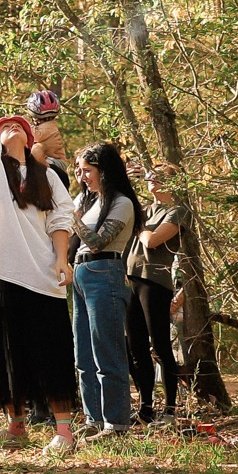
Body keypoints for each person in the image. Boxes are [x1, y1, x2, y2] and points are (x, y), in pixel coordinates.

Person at [0, 52, 80, 452]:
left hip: (43, 276)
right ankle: (16, 426)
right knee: (4, 352)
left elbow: (61, 217)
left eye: (18, 125)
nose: (10, 127)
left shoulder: (45, 175)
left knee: (50, 351)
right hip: (0, 274)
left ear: (30, 137)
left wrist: (63, 258)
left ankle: (63, 432)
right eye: (4, 127)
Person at [70, 142, 140, 436]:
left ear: (105, 170)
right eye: (79, 170)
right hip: (81, 273)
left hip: (105, 272)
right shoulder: (88, 201)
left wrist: (72, 219)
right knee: (83, 353)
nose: (82, 176)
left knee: (106, 351)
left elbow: (98, 241)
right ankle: (93, 419)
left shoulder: (122, 202)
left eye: (87, 170)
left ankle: (116, 423)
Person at [125, 163, 188, 424]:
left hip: (155, 282)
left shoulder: (178, 211)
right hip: (130, 280)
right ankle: (146, 405)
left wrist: (141, 227)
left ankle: (171, 408)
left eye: (160, 177)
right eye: (150, 175)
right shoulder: (144, 210)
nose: (152, 179)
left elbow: (152, 241)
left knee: (160, 344)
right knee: (135, 345)